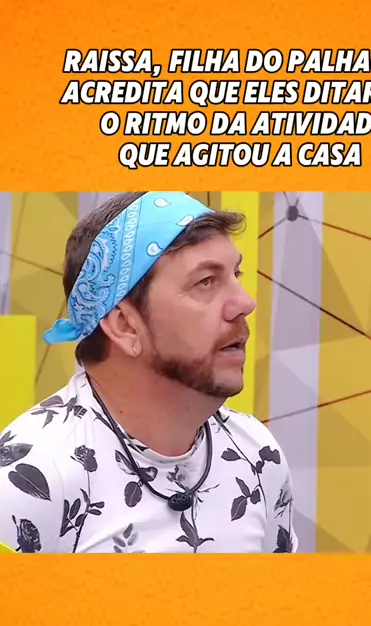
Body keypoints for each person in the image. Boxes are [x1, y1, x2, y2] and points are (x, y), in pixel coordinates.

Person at [0, 191, 297, 554]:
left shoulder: (257, 454)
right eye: (206, 281)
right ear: (125, 326)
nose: (245, 303)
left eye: (236, 274)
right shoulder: (28, 480)